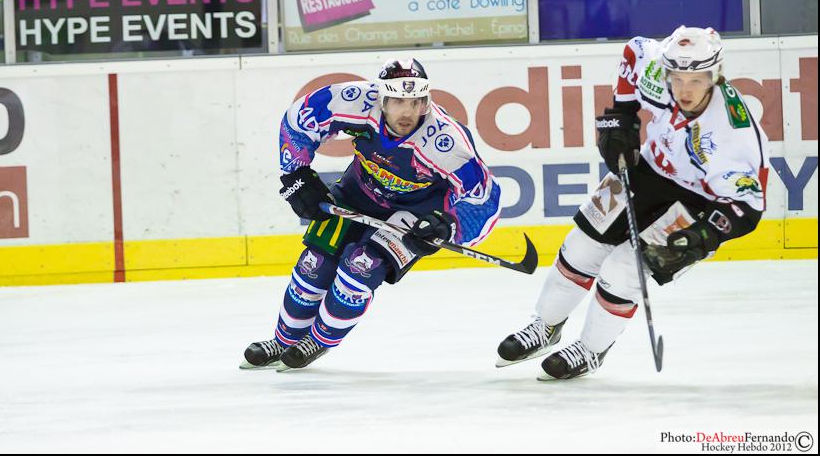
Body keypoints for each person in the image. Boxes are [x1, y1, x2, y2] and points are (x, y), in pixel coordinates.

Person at [496, 26, 770, 380]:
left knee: (623, 269)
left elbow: (748, 207)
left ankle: (591, 349)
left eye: (696, 80)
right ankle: (545, 326)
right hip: (648, 170)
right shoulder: (656, 64)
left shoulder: (733, 133)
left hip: (700, 201)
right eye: (677, 79)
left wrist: (704, 235)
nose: (684, 89)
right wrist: (622, 116)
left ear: (714, 76)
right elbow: (634, 51)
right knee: (581, 246)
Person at [242, 58, 501, 370]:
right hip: (358, 193)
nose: (408, 112)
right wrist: (295, 174)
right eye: (398, 101)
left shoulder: (446, 141)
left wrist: (447, 226)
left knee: (361, 267)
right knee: (314, 264)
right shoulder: (354, 101)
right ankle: (284, 341)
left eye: (416, 102)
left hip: (415, 214)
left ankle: (318, 340)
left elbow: (484, 197)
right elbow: (299, 119)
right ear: (382, 99)